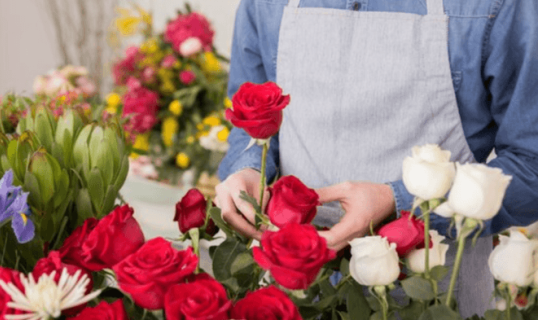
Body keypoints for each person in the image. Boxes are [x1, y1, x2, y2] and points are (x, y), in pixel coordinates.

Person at [215, 0, 538, 317]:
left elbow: (531, 163)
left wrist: (398, 201)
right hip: (293, 295)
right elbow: (249, 125)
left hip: (433, 296)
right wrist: (247, 170)